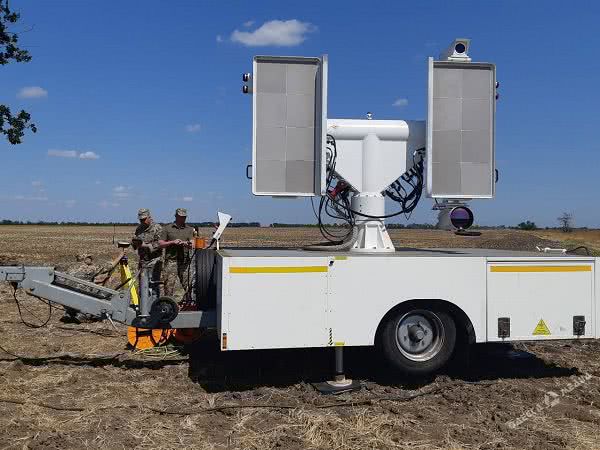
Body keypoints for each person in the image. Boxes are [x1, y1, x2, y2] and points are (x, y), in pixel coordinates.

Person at [159, 208, 196, 300]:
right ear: (176, 216)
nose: (183, 219)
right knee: (169, 286)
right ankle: (168, 304)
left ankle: (189, 302)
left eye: (184, 217)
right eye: (180, 217)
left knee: (189, 285)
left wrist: (187, 244)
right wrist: (172, 242)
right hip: (171, 261)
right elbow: (160, 243)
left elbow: (193, 243)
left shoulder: (190, 229)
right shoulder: (167, 228)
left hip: (184, 262)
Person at [131, 208, 163, 299]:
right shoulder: (139, 228)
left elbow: (160, 243)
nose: (142, 221)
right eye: (140, 220)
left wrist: (147, 245)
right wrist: (134, 243)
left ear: (149, 217)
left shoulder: (157, 228)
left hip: (154, 261)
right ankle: (143, 307)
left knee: (152, 285)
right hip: (142, 261)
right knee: (142, 286)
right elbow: (136, 243)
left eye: (144, 219)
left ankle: (153, 307)